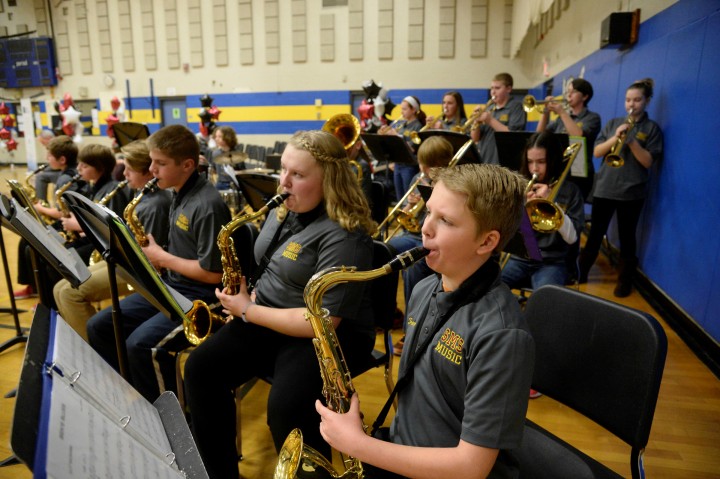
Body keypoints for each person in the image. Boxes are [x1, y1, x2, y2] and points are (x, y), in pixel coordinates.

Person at [316, 163, 535, 479]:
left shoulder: (502, 335)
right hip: (407, 450)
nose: (425, 228)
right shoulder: (424, 288)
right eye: (429, 212)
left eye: (445, 220)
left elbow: (471, 468)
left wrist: (358, 445)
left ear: (486, 242)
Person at [183, 130, 376, 479]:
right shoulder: (284, 208)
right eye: (283, 170)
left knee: (286, 409)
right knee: (200, 368)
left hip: (321, 338)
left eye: (298, 175)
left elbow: (324, 322)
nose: (283, 183)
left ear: (329, 181)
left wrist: (246, 310)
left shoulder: (346, 233)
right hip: (267, 317)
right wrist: (248, 295)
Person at [86, 124, 231, 401]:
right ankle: (127, 393)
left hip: (201, 297)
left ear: (187, 165)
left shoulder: (207, 205)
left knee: (143, 346)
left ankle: (171, 423)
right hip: (173, 286)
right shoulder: (178, 191)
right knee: (100, 326)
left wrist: (162, 258)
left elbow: (213, 275)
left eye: (160, 163)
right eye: (152, 161)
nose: (152, 169)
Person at [52, 140, 172, 340]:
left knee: (69, 293)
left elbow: (150, 255)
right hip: (127, 260)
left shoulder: (155, 205)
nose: (123, 174)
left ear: (148, 172)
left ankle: (96, 353)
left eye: (130, 170)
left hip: (140, 271)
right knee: (60, 286)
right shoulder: (140, 195)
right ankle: (86, 341)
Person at [579, 78, 663, 297]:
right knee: (595, 233)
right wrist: (616, 137)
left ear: (647, 101)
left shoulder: (651, 129)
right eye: (628, 100)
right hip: (605, 188)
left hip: (632, 193)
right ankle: (581, 273)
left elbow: (647, 162)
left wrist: (632, 141)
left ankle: (624, 281)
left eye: (637, 100)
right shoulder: (613, 123)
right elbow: (597, 152)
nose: (631, 104)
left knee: (627, 238)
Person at [386, 135, 454, 355]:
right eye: (422, 162)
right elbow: (410, 218)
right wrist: (410, 205)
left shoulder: (453, 184)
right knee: (383, 249)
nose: (423, 168)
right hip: (416, 233)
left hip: (439, 239)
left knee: (413, 266)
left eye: (429, 164)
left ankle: (411, 328)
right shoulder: (419, 176)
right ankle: (388, 313)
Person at [501, 132, 584, 289]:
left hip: (552, 262)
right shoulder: (522, 186)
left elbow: (572, 238)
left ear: (552, 161)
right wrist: (523, 207)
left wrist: (552, 203)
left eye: (541, 162)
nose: (534, 169)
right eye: (530, 162)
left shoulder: (570, 191)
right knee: (487, 287)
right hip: (521, 257)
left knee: (545, 301)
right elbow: (510, 231)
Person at [14, 135, 83, 300]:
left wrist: (39, 208)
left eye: (49, 155)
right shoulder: (69, 174)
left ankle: (42, 293)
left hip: (70, 226)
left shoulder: (66, 179)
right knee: (26, 241)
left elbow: (63, 213)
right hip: (69, 224)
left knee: (30, 244)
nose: (46, 158)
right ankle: (33, 286)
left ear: (62, 159)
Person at [536, 78, 601, 199]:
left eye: (574, 91)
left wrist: (562, 112)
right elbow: (539, 134)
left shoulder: (592, 118)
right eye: (568, 91)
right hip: (559, 169)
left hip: (579, 173)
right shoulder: (561, 119)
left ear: (585, 96)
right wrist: (545, 111)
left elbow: (577, 136)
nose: (569, 95)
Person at [470, 73, 527, 165]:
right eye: (492, 88)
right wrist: (475, 121)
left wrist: (490, 121)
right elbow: (475, 138)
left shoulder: (516, 107)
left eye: (497, 88)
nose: (493, 92)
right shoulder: (489, 109)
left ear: (508, 89)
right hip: (485, 160)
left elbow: (513, 136)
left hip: (504, 162)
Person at [379, 95, 426, 202]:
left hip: (409, 166)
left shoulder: (417, 126)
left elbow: (412, 148)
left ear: (413, 110)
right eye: (401, 109)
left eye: (404, 109)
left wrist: (395, 135)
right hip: (398, 164)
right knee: (399, 198)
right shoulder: (402, 125)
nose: (402, 112)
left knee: (407, 197)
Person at [210, 125, 244, 189]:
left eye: (220, 136)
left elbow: (242, 171)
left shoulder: (237, 154)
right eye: (216, 136)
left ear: (228, 137)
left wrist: (236, 172)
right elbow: (214, 170)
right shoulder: (215, 153)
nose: (216, 139)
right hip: (220, 183)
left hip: (233, 184)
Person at [33, 129, 61, 203]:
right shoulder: (58, 143)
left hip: (65, 173)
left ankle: (42, 203)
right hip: (62, 170)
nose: (43, 145)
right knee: (41, 174)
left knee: (40, 177)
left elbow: (59, 165)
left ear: (48, 139)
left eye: (42, 142)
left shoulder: (58, 146)